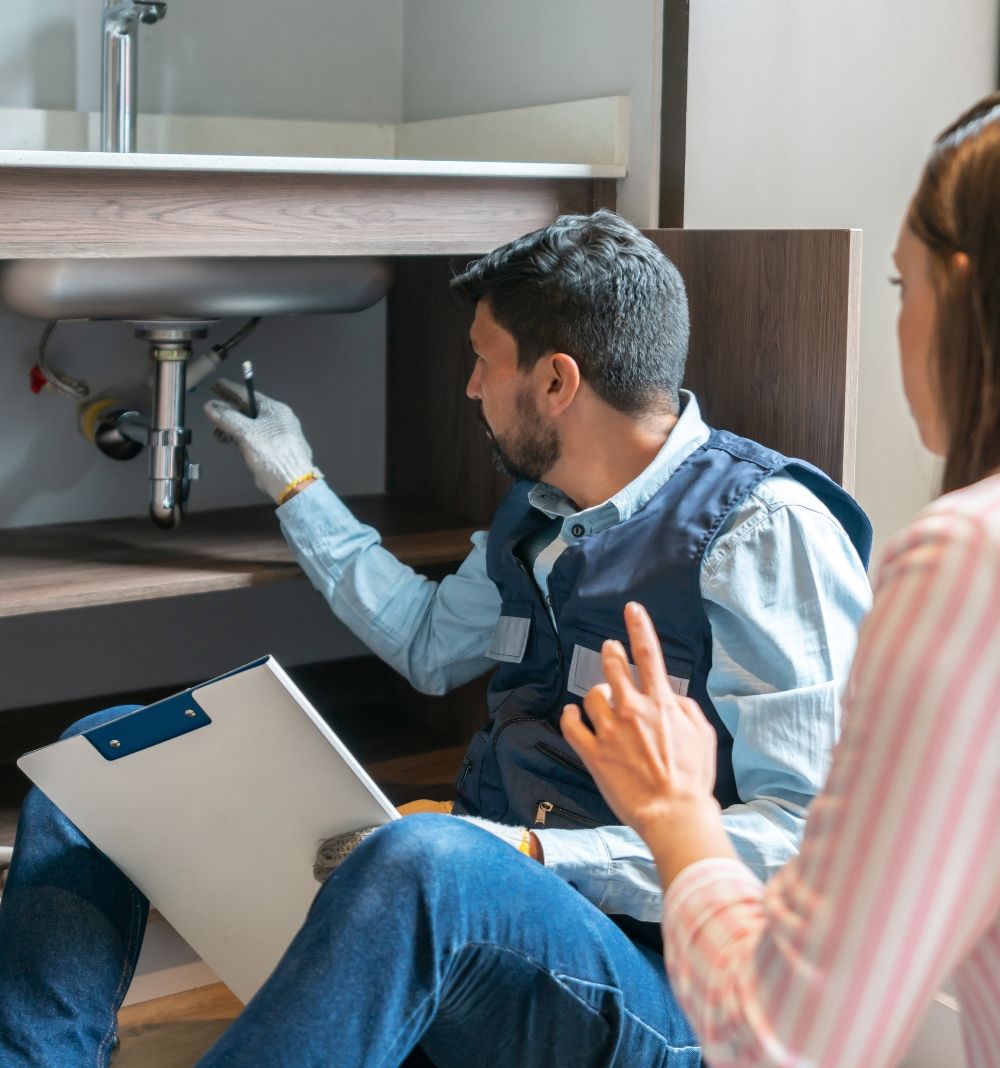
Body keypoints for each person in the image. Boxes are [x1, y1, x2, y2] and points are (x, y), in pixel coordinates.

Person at [0, 211, 872, 1067]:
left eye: (483, 362)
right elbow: (427, 643)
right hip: (483, 926)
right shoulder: (537, 512)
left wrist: (530, 854)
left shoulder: (763, 532)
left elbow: (808, 842)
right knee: (105, 754)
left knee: (432, 856)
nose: (470, 388)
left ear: (557, 382)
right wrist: (297, 483)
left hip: (666, 990)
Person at [561, 98, 1000, 1068]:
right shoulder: (529, 522)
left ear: (963, 293)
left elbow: (789, 1035)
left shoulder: (966, 555)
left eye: (902, 282)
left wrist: (674, 810)